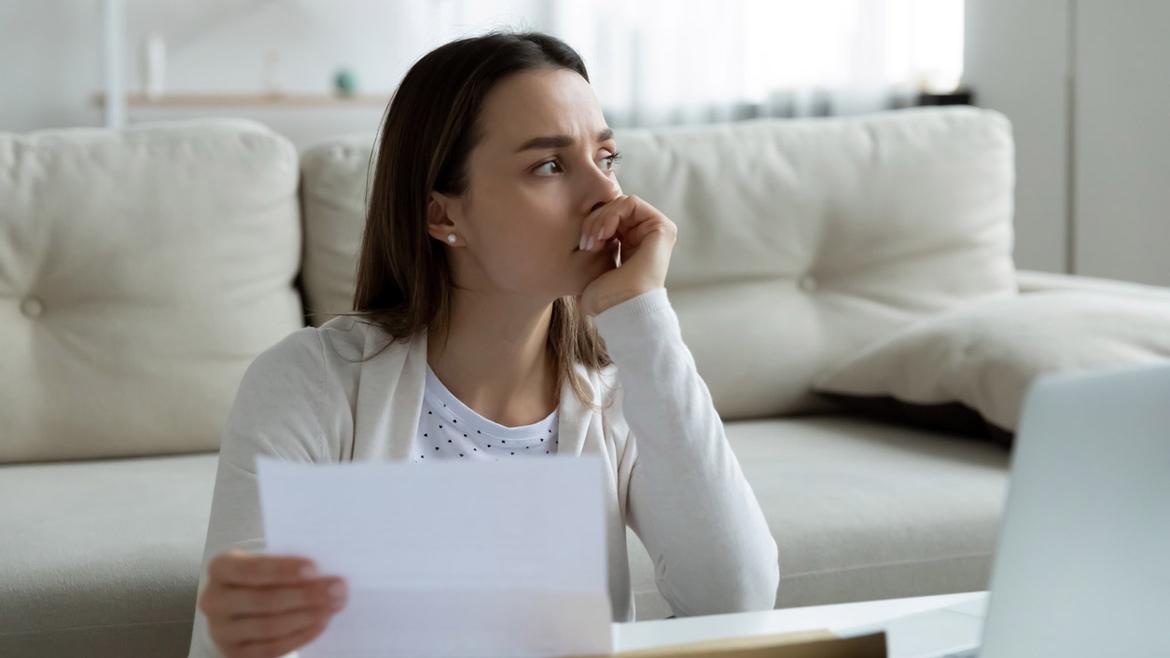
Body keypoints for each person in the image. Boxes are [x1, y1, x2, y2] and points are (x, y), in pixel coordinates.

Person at [188, 30, 779, 658]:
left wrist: (642, 317)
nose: (608, 196)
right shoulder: (309, 384)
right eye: (549, 166)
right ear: (444, 216)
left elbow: (736, 599)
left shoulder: (621, 388)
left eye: (606, 158)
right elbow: (238, 644)